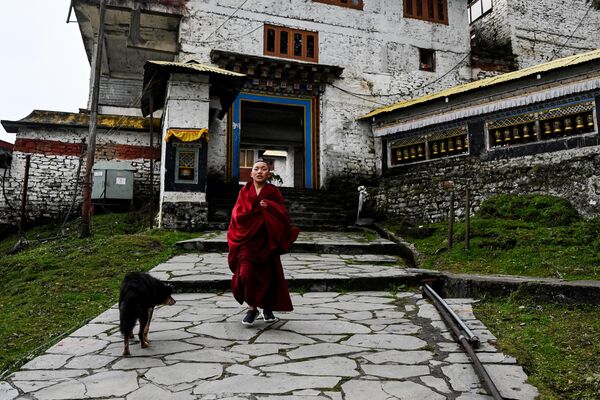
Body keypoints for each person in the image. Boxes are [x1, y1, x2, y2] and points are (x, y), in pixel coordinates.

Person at [227, 159, 300, 325]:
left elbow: (283, 215)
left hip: (267, 241)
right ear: (251, 173)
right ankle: (252, 307)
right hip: (247, 241)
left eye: (264, 169)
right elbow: (236, 215)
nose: (260, 172)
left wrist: (270, 206)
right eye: (256, 169)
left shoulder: (273, 192)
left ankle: (266, 306)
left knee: (268, 277)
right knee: (246, 275)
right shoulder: (244, 191)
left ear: (269, 173)